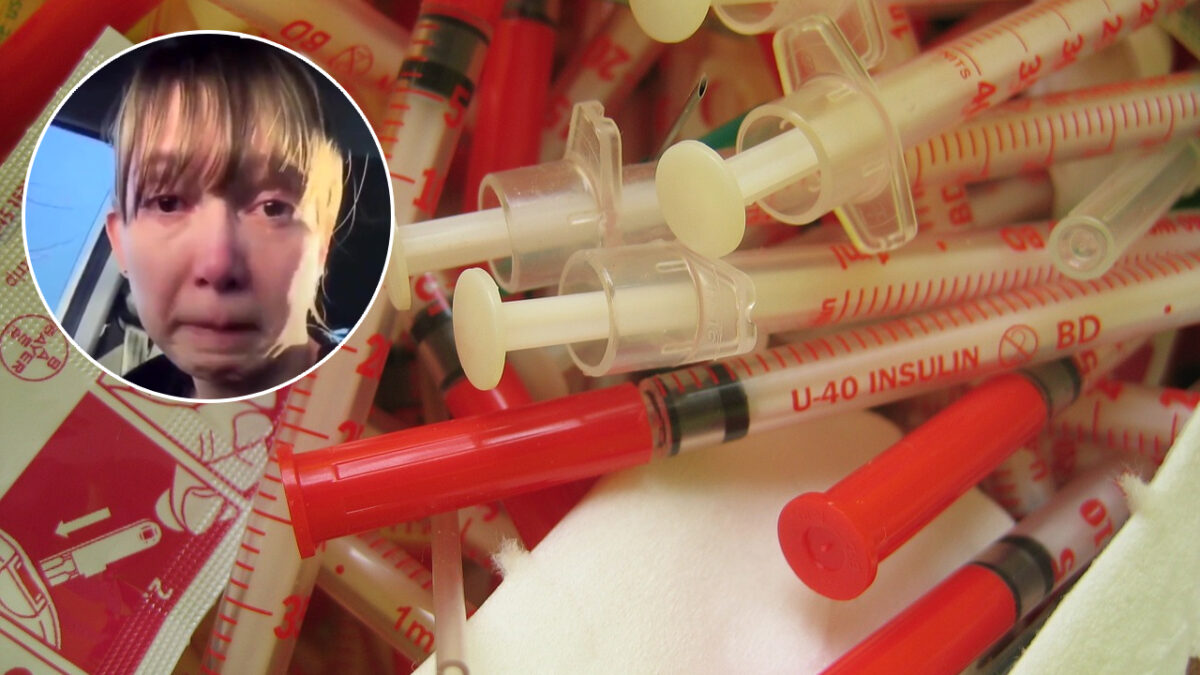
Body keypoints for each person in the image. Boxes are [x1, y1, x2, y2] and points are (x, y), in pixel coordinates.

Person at [104, 34, 347, 399]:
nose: (218, 266)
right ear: (119, 243)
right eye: (167, 203)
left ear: (323, 244)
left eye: (272, 208)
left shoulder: (384, 390)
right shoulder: (122, 402)